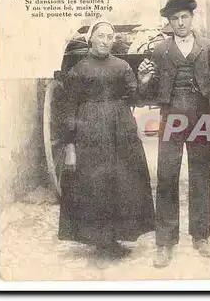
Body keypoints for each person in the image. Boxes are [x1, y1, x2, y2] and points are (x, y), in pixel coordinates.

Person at [138, 0, 210, 268]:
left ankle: (201, 235)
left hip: (201, 113)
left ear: (192, 18)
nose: (180, 23)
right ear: (168, 23)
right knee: (167, 175)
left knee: (200, 174)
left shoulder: (207, 47)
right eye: (174, 19)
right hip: (171, 116)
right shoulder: (160, 50)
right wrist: (145, 80)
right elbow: (146, 92)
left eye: (184, 17)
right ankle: (165, 242)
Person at [58, 20, 156, 263]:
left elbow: (135, 98)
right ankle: (99, 239)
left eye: (109, 36)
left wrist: (143, 81)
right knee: (95, 182)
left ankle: (116, 236)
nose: (105, 40)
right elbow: (69, 109)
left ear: (113, 40)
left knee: (121, 181)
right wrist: (70, 147)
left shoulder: (122, 66)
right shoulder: (78, 70)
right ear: (91, 39)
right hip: (90, 132)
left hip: (120, 129)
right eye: (100, 35)